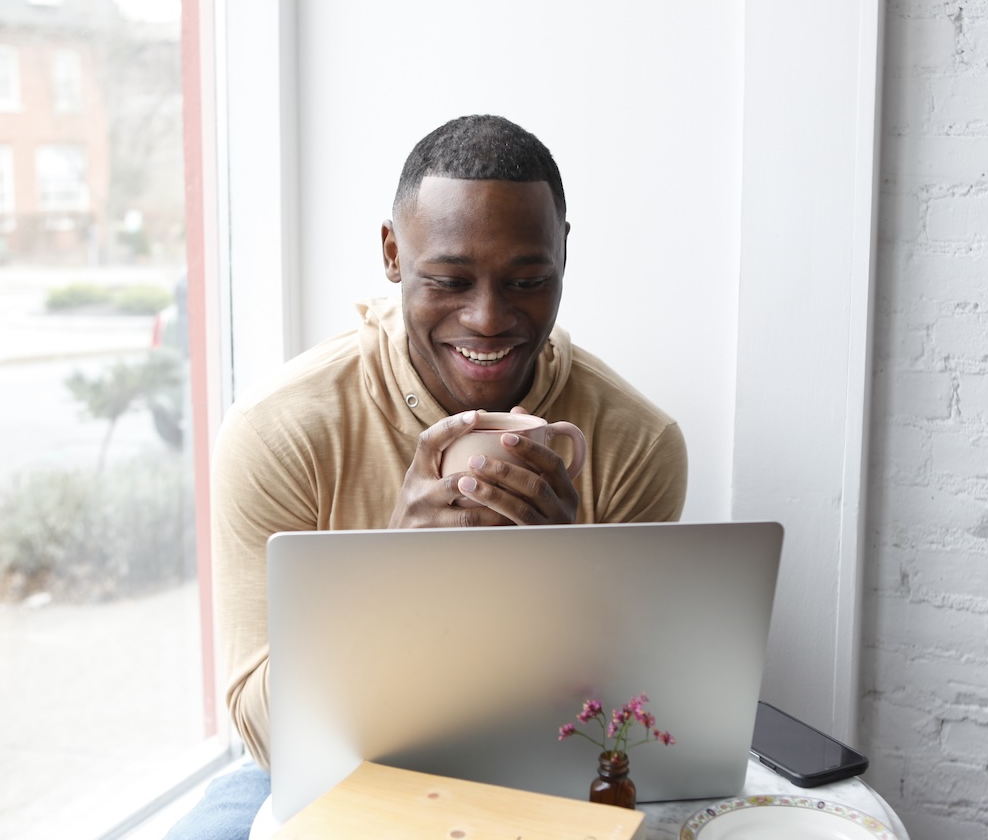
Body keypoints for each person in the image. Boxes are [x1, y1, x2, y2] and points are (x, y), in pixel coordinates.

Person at [164, 114, 687, 839]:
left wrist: (568, 572)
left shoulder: (634, 442)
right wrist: (394, 571)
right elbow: (266, 731)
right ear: (391, 252)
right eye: (448, 280)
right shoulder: (281, 431)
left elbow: (631, 718)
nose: (488, 319)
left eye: (527, 280)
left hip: (538, 758)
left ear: (565, 251)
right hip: (329, 761)